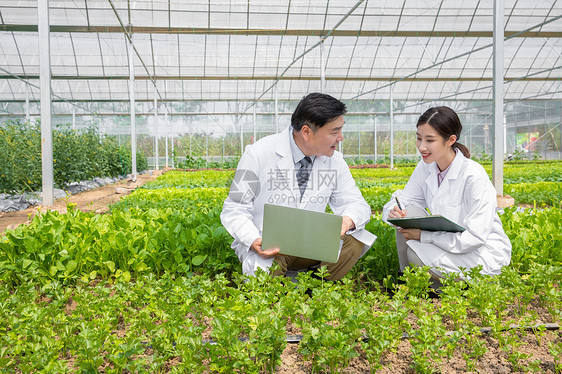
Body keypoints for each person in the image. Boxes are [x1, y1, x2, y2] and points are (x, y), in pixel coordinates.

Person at [221, 93, 376, 280]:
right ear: (306, 132)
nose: (340, 138)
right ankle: (278, 287)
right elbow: (234, 208)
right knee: (267, 277)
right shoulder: (257, 154)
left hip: (311, 245)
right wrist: (253, 239)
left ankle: (315, 286)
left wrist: (347, 220)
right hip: (270, 245)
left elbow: (357, 203)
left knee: (356, 239)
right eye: (334, 132)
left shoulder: (336, 162)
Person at [382, 106, 511, 282]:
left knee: (415, 254)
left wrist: (424, 236)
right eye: (419, 139)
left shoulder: (473, 175)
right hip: (445, 242)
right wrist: (394, 211)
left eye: (430, 140)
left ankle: (438, 286)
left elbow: (475, 238)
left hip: (480, 252)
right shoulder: (425, 167)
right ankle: (407, 279)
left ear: (450, 140)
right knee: (407, 212)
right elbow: (403, 200)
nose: (421, 147)